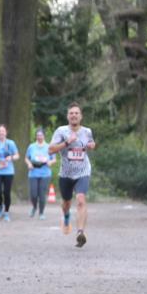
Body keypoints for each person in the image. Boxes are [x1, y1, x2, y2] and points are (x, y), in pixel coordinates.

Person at [48, 103, 96, 246]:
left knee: (81, 200)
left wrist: (92, 146)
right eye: (71, 113)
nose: (74, 115)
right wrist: (66, 142)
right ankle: (67, 216)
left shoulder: (87, 131)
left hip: (83, 171)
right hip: (66, 174)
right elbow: (50, 150)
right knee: (66, 203)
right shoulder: (61, 131)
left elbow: (91, 143)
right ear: (68, 116)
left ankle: (80, 232)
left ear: (81, 116)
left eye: (76, 113)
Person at [25, 128, 56, 219]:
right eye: (38, 135)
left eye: (41, 135)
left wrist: (50, 162)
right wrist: (29, 164)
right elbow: (26, 158)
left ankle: (41, 213)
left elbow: (54, 159)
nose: (39, 137)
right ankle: (34, 207)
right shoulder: (31, 147)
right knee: (33, 194)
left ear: (44, 136)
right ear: (36, 136)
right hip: (33, 173)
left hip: (45, 174)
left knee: (42, 195)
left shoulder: (49, 147)